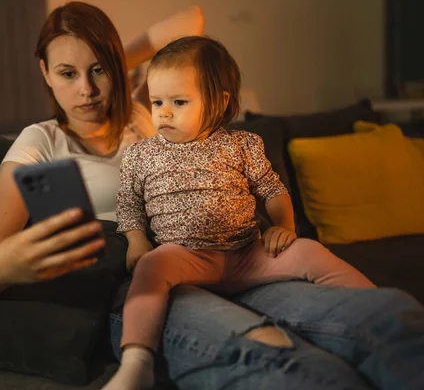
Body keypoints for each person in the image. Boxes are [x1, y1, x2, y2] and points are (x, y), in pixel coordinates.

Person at [0, 1, 424, 390]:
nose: (88, 90)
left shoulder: (147, 116)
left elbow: (190, 23)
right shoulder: (42, 144)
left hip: (238, 258)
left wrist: (116, 57)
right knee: (291, 365)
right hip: (150, 284)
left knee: (390, 317)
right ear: (44, 73)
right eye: (66, 72)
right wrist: (1, 266)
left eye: (99, 70)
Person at [107, 35, 376, 389]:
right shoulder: (140, 154)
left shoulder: (241, 144)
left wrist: (284, 226)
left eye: (179, 101)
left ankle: (376, 307)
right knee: (151, 266)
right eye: (157, 102)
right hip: (186, 257)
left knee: (310, 251)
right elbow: (128, 205)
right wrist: (137, 240)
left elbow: (273, 189)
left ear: (218, 103)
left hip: (248, 255)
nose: (164, 112)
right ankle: (136, 361)